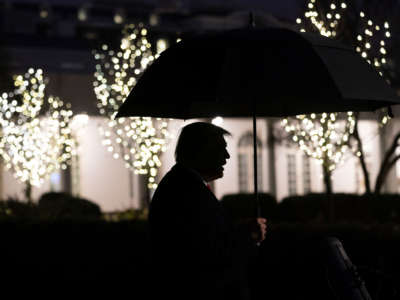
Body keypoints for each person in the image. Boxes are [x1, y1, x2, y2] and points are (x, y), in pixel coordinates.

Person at [148, 122, 267, 300]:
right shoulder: (188, 192)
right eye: (220, 149)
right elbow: (208, 254)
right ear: (201, 151)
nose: (226, 157)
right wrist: (248, 238)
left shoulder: (182, 184)